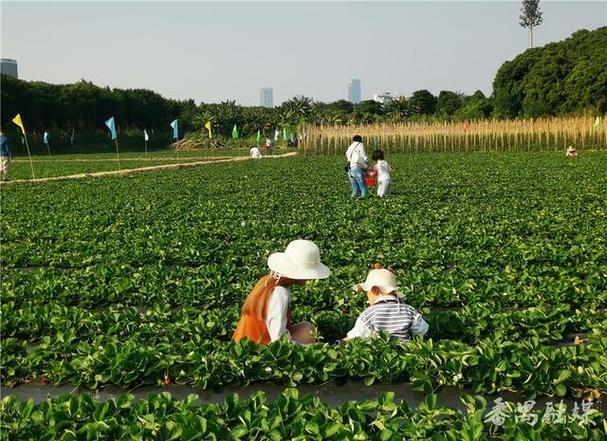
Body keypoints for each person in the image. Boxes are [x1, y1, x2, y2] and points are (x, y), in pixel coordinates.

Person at [233, 240, 331, 345]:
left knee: (307, 327)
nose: (310, 278)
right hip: (256, 348)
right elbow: (278, 340)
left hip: (245, 342)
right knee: (308, 336)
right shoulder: (280, 293)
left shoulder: (269, 281)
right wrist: (315, 348)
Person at [344, 264, 428, 341]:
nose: (367, 297)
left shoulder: (369, 313)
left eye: (367, 293)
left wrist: (339, 343)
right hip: (406, 353)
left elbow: (355, 336)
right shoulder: (409, 310)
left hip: (379, 353)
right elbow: (422, 330)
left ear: (375, 290)